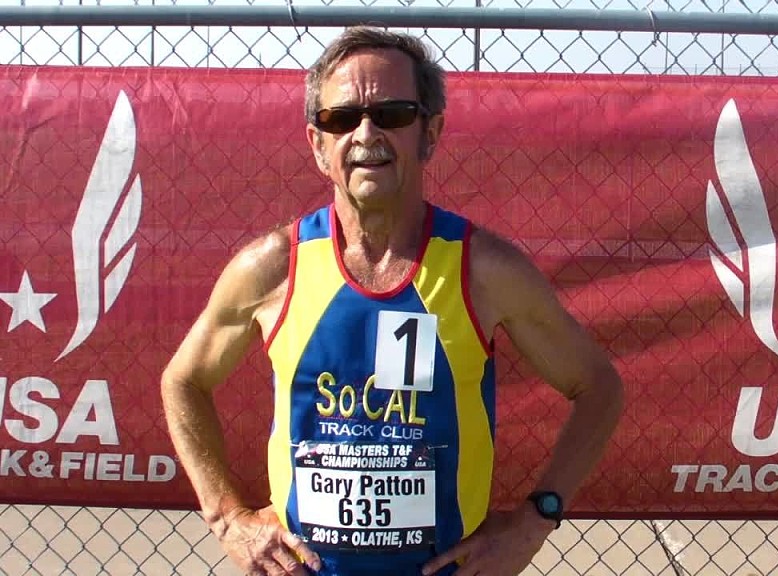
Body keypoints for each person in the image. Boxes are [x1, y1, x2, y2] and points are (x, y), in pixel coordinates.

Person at [160, 25, 624, 576]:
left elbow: (598, 387)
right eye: (341, 118)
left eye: (392, 114)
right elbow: (183, 381)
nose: (365, 133)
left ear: (430, 133)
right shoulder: (272, 267)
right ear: (318, 145)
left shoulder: (483, 269)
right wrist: (226, 518)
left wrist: (536, 519)